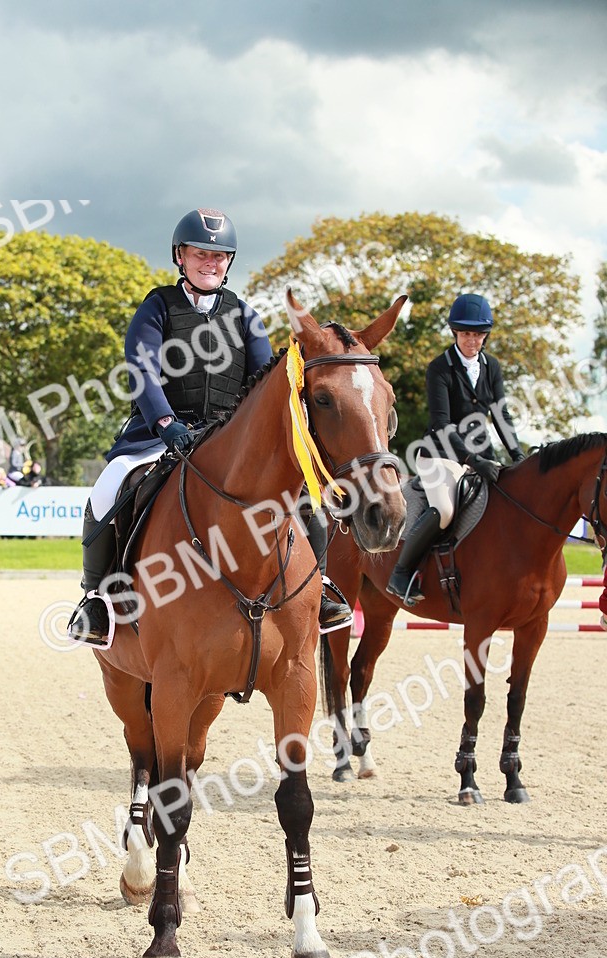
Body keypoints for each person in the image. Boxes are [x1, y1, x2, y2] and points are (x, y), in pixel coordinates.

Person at [69, 207, 353, 645]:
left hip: (229, 439)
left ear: (229, 262)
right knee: (108, 487)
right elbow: (142, 371)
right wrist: (165, 423)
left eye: (219, 256)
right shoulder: (157, 307)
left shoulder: (245, 316)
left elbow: (265, 383)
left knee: (302, 496)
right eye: (200, 253)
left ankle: (322, 587)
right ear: (180, 256)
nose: (210, 262)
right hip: (161, 433)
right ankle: (96, 600)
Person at [387, 293, 525, 605]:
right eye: (465, 334)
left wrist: (517, 456)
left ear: (485, 335)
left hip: (481, 456)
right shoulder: (440, 368)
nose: (472, 341)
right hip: (439, 455)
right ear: (455, 333)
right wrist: (473, 460)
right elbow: (442, 424)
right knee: (446, 511)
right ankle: (401, 572)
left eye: (477, 334)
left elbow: (501, 415)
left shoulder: (492, 367)